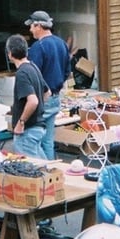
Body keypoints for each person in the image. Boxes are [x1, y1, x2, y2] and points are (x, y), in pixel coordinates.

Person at [24, 11, 71, 160]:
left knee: (32, 140)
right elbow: (67, 71)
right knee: (48, 141)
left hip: (41, 98)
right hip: (56, 96)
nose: (30, 30)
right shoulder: (61, 43)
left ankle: (41, 172)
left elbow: (33, 75)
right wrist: (55, 88)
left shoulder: (38, 47)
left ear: (39, 26)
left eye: (31, 26)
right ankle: (52, 171)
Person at [5, 34, 51, 159]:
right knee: (43, 167)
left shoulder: (22, 73)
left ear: (10, 54)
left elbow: (33, 101)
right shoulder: (33, 67)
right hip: (38, 127)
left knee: (28, 170)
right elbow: (47, 93)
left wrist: (21, 122)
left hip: (27, 131)